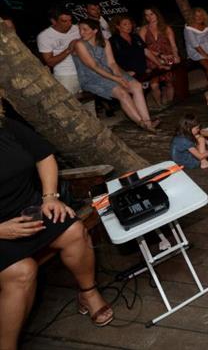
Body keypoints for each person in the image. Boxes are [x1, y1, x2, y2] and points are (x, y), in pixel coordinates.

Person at [0, 107, 113, 349]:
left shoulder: (6, 125)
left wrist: (49, 196)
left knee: (73, 231)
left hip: (30, 211)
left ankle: (88, 291)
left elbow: (44, 156)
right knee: (22, 271)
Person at [72, 19, 159, 132]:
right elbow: (94, 67)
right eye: (80, 30)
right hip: (92, 77)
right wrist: (116, 79)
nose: (81, 33)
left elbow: (112, 63)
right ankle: (143, 124)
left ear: (95, 30)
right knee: (122, 93)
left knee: (136, 86)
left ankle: (147, 121)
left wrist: (120, 77)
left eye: (85, 29)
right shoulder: (79, 44)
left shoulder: (105, 42)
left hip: (109, 72)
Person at [139, 7, 179, 107]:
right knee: (154, 84)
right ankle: (160, 106)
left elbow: (173, 45)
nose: (149, 17)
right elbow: (142, 48)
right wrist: (159, 55)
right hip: (151, 58)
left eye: (151, 14)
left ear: (157, 14)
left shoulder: (166, 28)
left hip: (168, 56)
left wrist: (176, 55)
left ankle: (170, 104)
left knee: (169, 82)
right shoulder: (144, 29)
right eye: (147, 15)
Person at [37, 5, 81, 94]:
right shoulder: (44, 36)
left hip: (84, 72)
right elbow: (50, 62)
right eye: (64, 21)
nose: (69, 24)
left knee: (88, 104)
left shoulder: (77, 28)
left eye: (70, 20)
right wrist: (69, 49)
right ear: (53, 21)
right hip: (65, 76)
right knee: (70, 105)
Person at [109, 14, 153, 82]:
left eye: (130, 23)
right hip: (128, 76)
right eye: (125, 24)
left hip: (144, 72)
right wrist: (124, 74)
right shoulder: (113, 41)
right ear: (117, 26)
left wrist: (159, 64)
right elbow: (112, 62)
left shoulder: (135, 37)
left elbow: (146, 51)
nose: (129, 26)